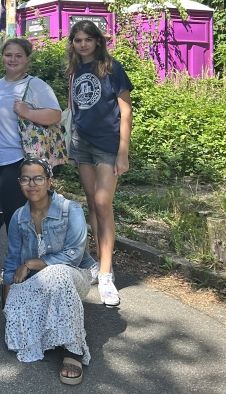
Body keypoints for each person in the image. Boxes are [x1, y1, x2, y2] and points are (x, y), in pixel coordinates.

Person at [4, 158, 95, 384]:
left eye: (38, 178)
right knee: (15, 334)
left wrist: (33, 263)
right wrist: (7, 296)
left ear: (49, 181)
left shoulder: (70, 209)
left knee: (58, 273)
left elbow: (74, 254)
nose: (31, 184)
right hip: (38, 284)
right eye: (25, 179)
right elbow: (13, 259)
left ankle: (72, 350)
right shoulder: (18, 217)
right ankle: (50, 333)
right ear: (19, 182)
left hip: (74, 276)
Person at [67, 20, 133, 307]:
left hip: (107, 145)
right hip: (82, 144)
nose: (83, 44)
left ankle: (107, 274)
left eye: (87, 39)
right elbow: (74, 108)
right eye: (78, 40)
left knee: (104, 203)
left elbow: (126, 110)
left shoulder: (111, 68)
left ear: (97, 41)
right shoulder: (74, 70)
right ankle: (97, 261)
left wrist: (123, 152)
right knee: (92, 203)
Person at [0, 38, 62, 229]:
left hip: (18, 159)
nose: (12, 59)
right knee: (3, 214)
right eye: (8, 55)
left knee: (11, 215)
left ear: (27, 59)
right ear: (2, 58)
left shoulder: (35, 85)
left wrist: (28, 112)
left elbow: (56, 115)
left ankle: (21, 258)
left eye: (18, 56)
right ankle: (14, 256)